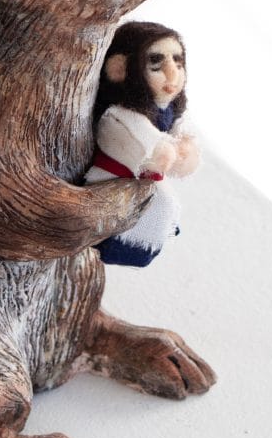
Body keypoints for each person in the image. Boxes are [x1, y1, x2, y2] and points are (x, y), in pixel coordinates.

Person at [85, 21, 200, 267]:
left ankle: (136, 250)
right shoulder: (118, 115)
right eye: (156, 66)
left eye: (178, 63)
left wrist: (185, 150)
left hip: (146, 183)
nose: (173, 74)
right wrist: (158, 150)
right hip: (112, 181)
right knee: (148, 210)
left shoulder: (169, 110)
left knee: (162, 208)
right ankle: (114, 247)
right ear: (120, 69)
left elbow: (182, 131)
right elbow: (135, 137)